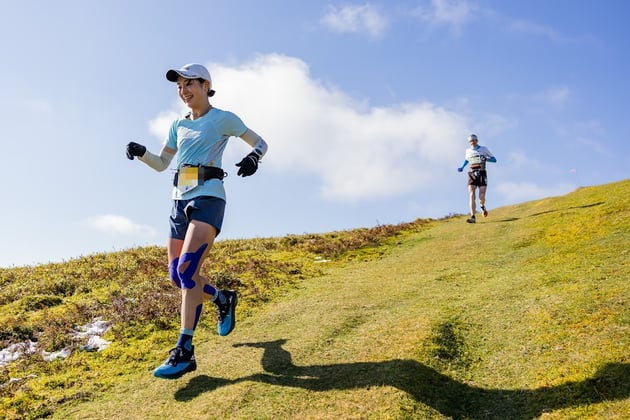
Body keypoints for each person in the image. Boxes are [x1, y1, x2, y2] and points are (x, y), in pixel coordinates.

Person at [126, 63, 268, 379]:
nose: (183, 91)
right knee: (178, 277)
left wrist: (253, 157)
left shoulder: (223, 119)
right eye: (179, 86)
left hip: (208, 198)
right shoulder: (178, 125)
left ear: (206, 84)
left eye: (189, 83)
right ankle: (222, 298)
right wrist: (141, 152)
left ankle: (185, 350)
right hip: (179, 201)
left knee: (189, 272)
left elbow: (261, 142)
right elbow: (163, 163)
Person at [457, 134, 496, 223]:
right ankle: (473, 217)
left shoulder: (483, 149)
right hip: (472, 174)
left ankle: (482, 206)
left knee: (481, 197)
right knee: (471, 194)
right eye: (470, 141)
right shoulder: (467, 151)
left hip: (482, 173)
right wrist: (462, 167)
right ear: (469, 142)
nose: (472, 142)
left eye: (474, 140)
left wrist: (486, 159)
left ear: (477, 141)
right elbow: (467, 159)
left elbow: (494, 159)